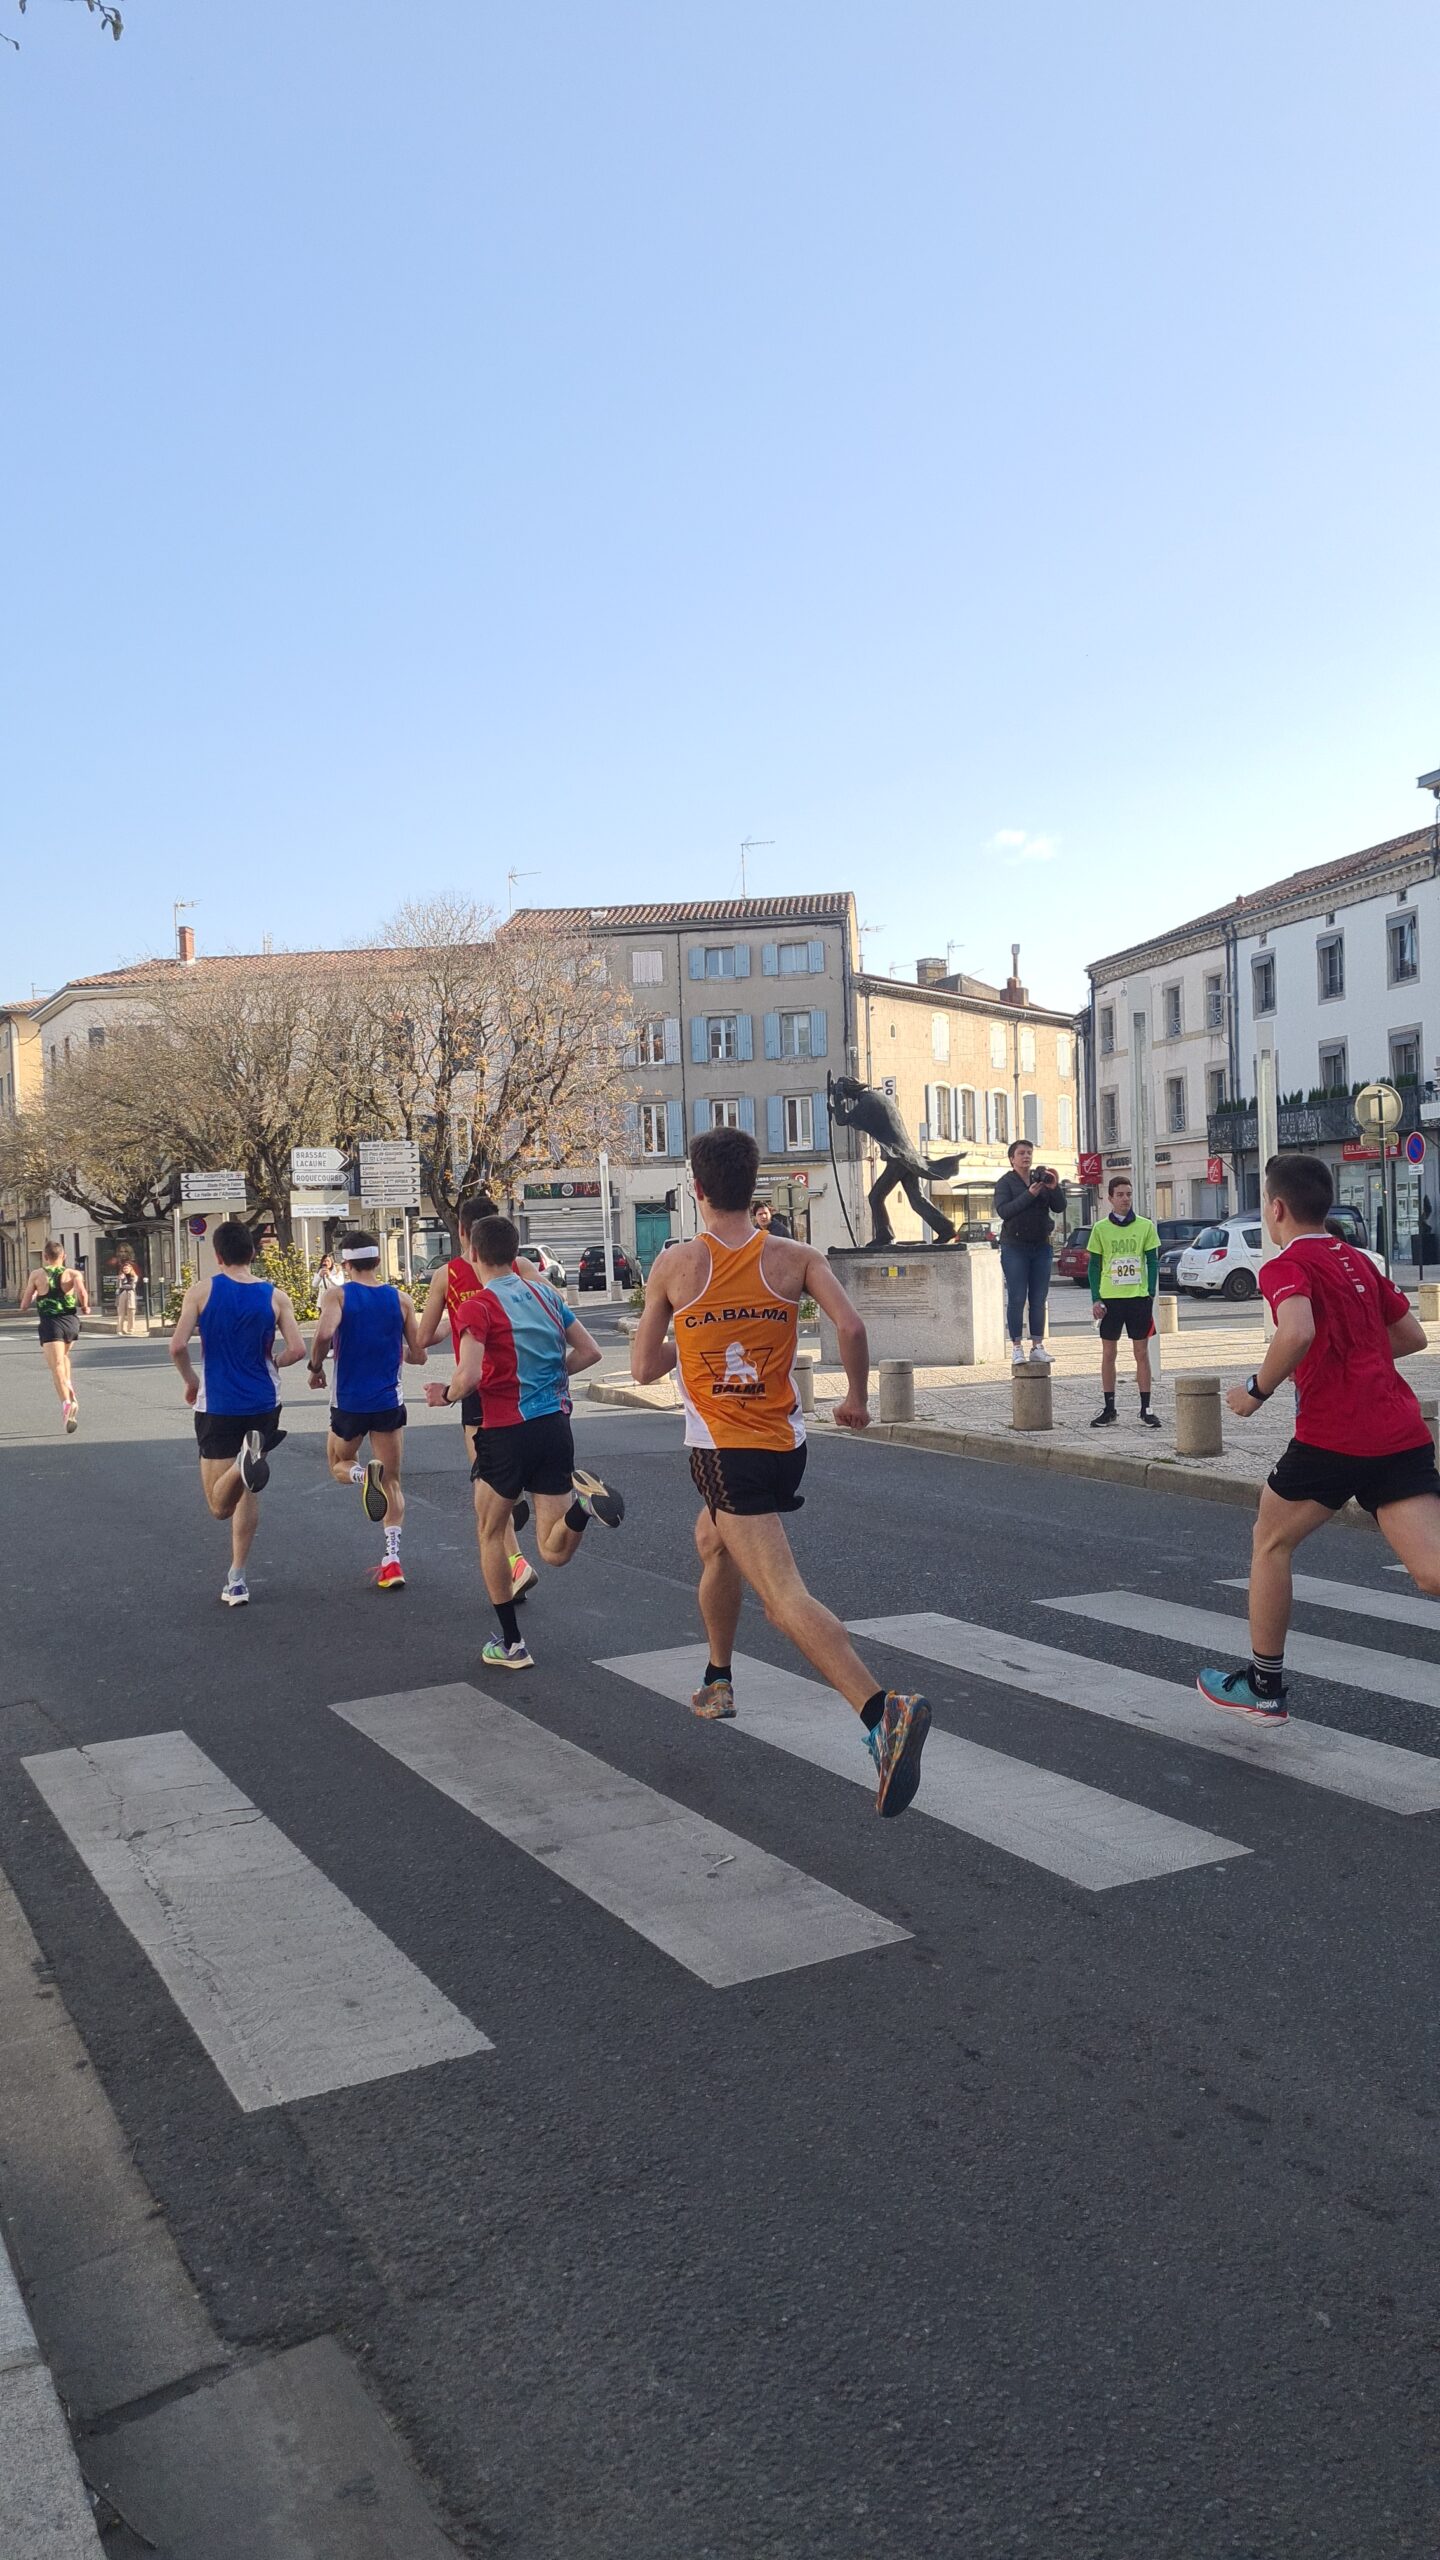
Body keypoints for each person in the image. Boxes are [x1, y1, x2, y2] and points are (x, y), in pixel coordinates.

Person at [630, 1124, 932, 1817]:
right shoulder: (796, 1257)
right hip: (783, 1446)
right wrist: (855, 1397)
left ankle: (881, 1711)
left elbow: (645, 1367)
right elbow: (851, 1329)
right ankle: (718, 1677)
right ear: (754, 1186)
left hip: (722, 1454)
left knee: (782, 1596)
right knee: (714, 1541)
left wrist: (693, 1329)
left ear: (698, 1190)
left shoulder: (675, 1266)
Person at [1198, 1154, 1440, 1723]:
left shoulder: (1285, 1265)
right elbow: (1411, 1336)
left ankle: (1263, 1685)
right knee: (1432, 1571)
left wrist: (1255, 1390)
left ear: (1276, 1209)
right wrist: (1356, 1357)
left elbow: (1298, 1329)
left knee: (1270, 1542)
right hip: (1398, 1431)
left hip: (1332, 1437)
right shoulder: (1358, 1259)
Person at [423, 1213, 621, 1670]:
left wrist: (445, 1395)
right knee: (552, 1549)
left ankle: (511, 1643)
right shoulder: (547, 1295)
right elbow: (590, 1351)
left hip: (505, 1432)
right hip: (555, 1426)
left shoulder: (477, 1305)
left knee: (491, 1531)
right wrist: (551, 1378)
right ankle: (583, 1508)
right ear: (517, 1254)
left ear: (472, 1253)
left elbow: (468, 1376)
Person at [168, 1219, 307, 1607]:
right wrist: (274, 1362)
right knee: (245, 1488)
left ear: (217, 1255)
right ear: (252, 1253)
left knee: (218, 1505)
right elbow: (297, 1349)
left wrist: (191, 1382)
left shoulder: (201, 1291)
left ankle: (242, 1461)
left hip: (219, 1403)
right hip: (265, 1403)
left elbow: (177, 1346)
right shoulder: (275, 1295)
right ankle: (237, 1578)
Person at [415, 1196, 541, 1604]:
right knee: (515, 1470)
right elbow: (551, 1308)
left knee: (485, 1484)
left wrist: (454, 1320)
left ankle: (516, 1563)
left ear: (464, 1233)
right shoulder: (520, 1269)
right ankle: (516, 1539)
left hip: (477, 1392)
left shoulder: (447, 1276)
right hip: (525, 1386)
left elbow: (423, 1337)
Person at [306, 1232, 426, 1590]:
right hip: (389, 1400)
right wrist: (396, 1351)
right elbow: (419, 1354)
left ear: (346, 1263)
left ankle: (361, 1477)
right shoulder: (401, 1299)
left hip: (350, 1401)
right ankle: (392, 1560)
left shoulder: (337, 1294)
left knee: (340, 1464)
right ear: (377, 1262)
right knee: (393, 1481)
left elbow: (325, 1333)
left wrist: (315, 1368)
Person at [828, 1074, 961, 1246]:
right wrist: (835, 1106)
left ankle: (885, 1235)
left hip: (898, 1158)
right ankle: (946, 1229)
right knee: (916, 1199)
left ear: (848, 1091)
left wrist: (838, 1099)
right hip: (905, 1156)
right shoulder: (877, 1097)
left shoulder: (868, 1103)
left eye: (844, 1093)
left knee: (875, 1196)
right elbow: (852, 1119)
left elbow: (843, 1119)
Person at [1087, 1174, 1162, 1428]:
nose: (1125, 1199)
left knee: (1141, 1353)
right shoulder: (1100, 1229)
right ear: (1110, 1198)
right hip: (1111, 1298)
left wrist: (1150, 1290)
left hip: (1138, 1298)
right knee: (1109, 1353)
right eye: (1119, 1195)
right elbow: (1094, 1266)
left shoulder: (1145, 1226)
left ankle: (1146, 1408)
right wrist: (1096, 1298)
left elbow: (1152, 1259)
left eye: (1128, 1194)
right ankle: (1109, 1408)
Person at [992, 1140, 1064, 1365]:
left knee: (1038, 1298)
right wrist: (1029, 1195)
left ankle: (1037, 1345)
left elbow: (1059, 1207)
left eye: (1029, 1153)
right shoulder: (1005, 1183)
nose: (1026, 1157)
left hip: (1041, 1246)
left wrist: (1054, 1187)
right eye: (1021, 1153)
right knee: (1016, 1297)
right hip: (1014, 1246)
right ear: (1012, 1158)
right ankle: (1016, 1347)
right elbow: (1004, 1211)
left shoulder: (1040, 1179)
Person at [21, 1243, 90, 1432]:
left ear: (45, 1257)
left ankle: (67, 1403)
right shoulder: (74, 1274)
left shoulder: (37, 1274)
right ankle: (68, 1383)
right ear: (64, 1256)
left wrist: (34, 1295)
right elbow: (83, 1294)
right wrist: (85, 1307)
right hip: (71, 1321)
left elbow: (25, 1303)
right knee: (64, 1356)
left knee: (56, 1365)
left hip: (51, 1323)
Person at [114, 1254, 141, 1337]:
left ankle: (131, 1329)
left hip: (131, 1294)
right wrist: (121, 1280)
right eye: (124, 1268)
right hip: (122, 1294)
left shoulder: (134, 1276)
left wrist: (124, 1285)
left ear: (130, 1269)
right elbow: (119, 1286)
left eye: (127, 1268)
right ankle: (120, 1329)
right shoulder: (121, 1277)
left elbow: (132, 1286)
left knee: (131, 1311)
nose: (125, 1270)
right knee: (121, 1313)